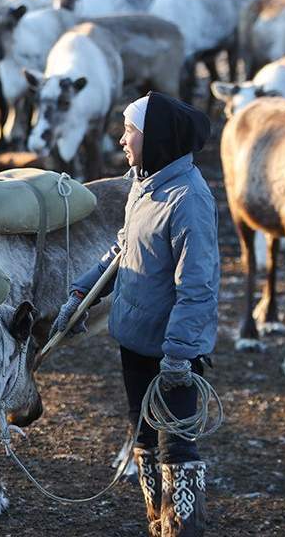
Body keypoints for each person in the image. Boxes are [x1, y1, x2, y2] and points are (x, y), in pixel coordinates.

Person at [51, 92, 219, 537]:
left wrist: (180, 354)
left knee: (176, 448)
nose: (122, 140)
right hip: (135, 341)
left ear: (157, 137)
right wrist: (81, 290)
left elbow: (198, 286)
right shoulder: (144, 185)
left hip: (170, 354)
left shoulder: (188, 199)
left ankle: (183, 530)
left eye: (130, 131)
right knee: (145, 441)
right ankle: (157, 526)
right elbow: (122, 250)